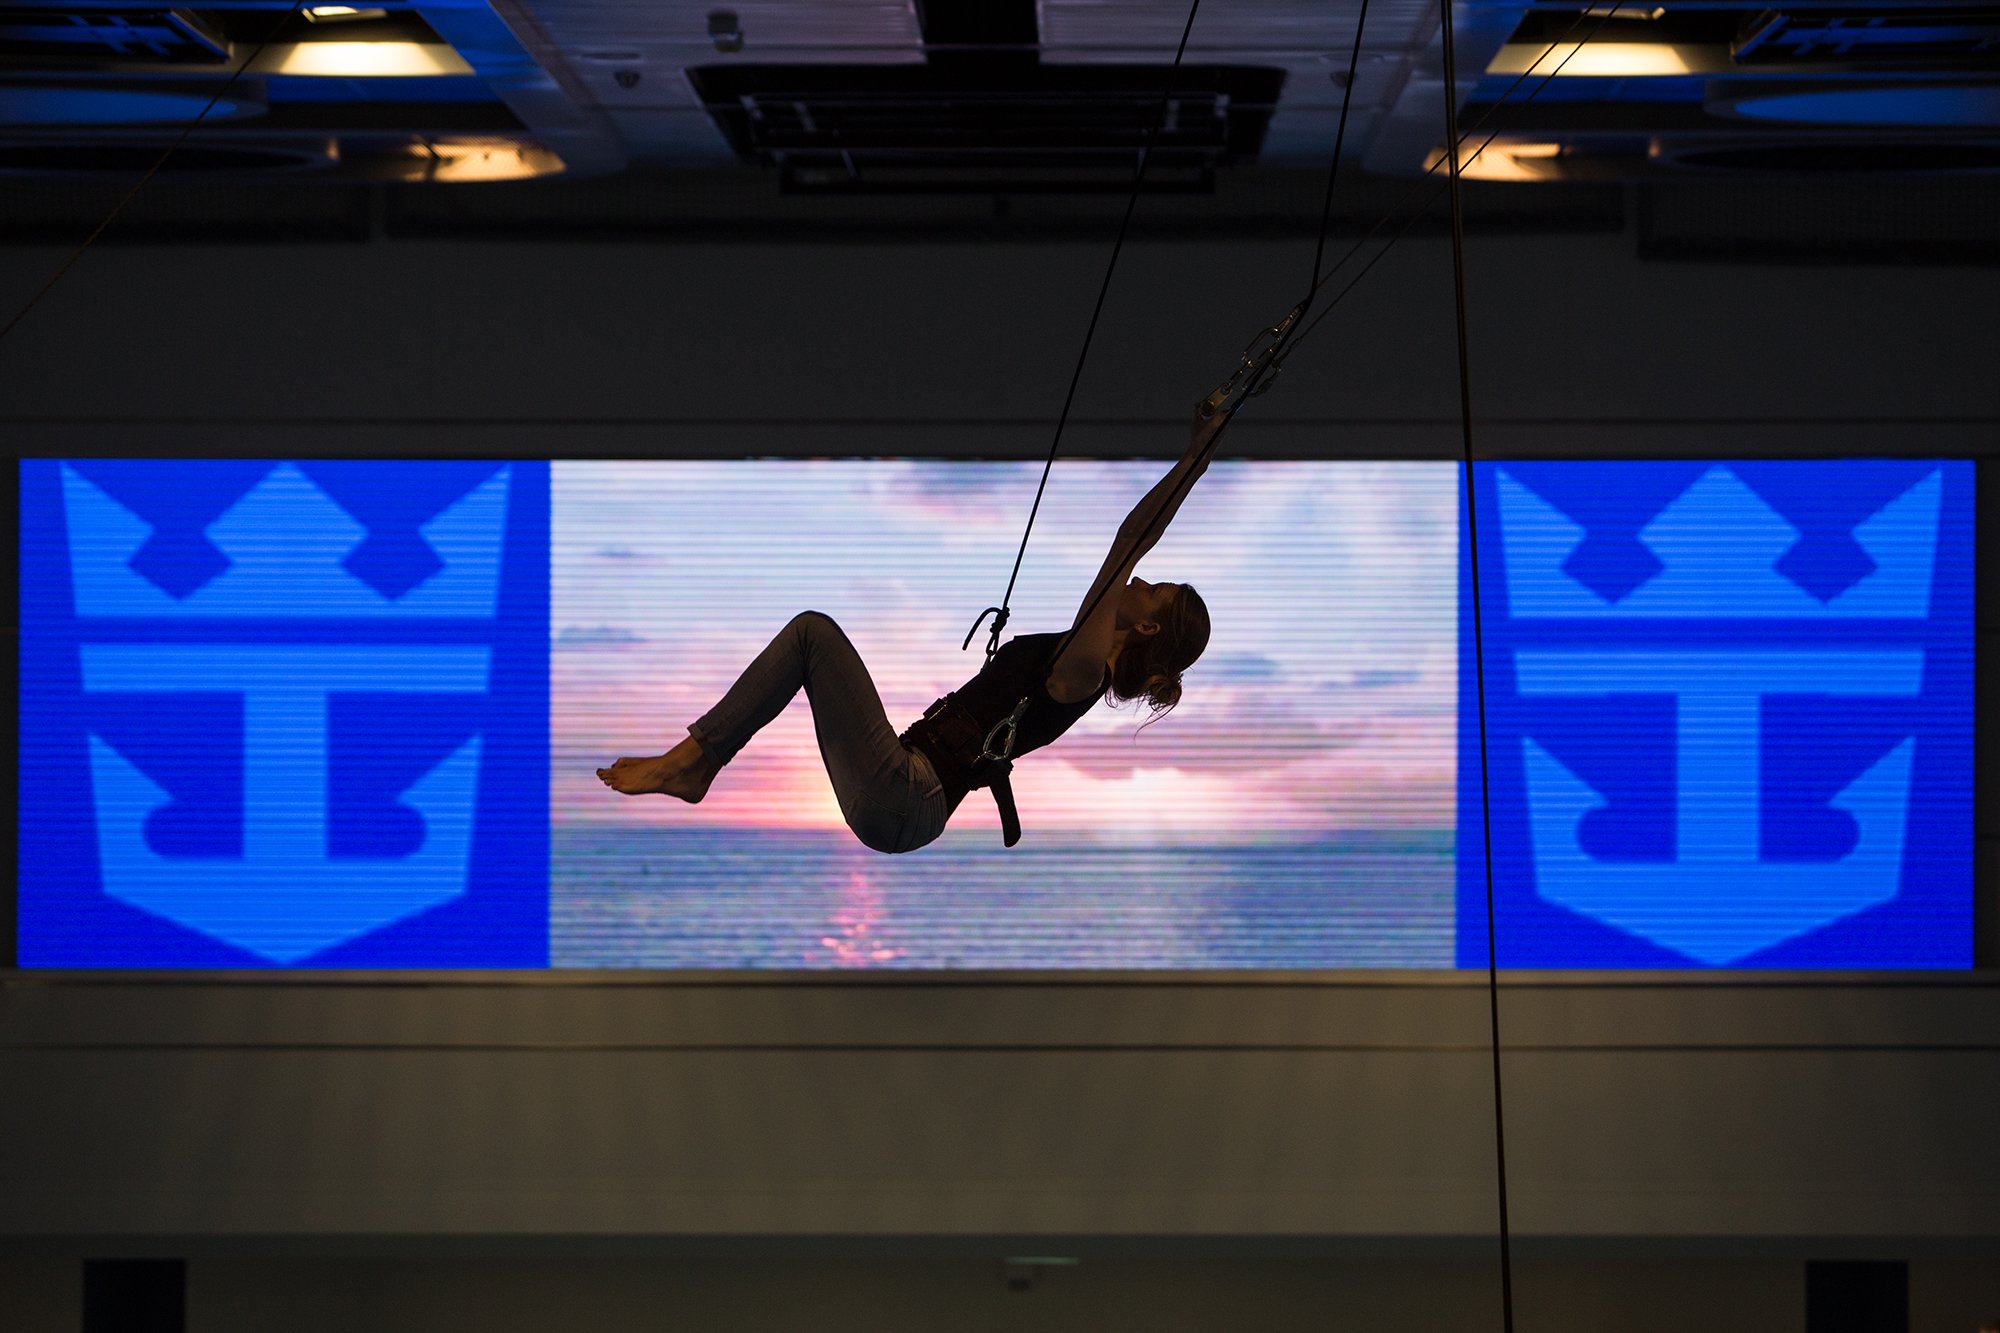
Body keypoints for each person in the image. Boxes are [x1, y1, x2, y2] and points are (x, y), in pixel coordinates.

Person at [596, 406, 1220, 853]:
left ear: (1146, 625)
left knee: (812, 635)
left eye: (1152, 589)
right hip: (903, 791)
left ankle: (693, 763)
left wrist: (1196, 457)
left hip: (906, 794)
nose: (1140, 581)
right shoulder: (1076, 661)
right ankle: (694, 764)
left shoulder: (1085, 671)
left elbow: (1129, 542)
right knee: (812, 637)